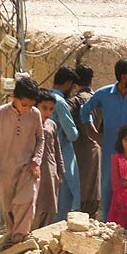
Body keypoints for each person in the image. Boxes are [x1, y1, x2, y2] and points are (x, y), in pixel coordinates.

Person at [80, 58, 127, 221]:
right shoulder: (103, 94)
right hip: (111, 150)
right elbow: (84, 112)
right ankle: (108, 223)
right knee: (109, 186)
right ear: (124, 77)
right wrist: (94, 134)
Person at [0, 75, 44, 249]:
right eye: (24, 104)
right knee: (8, 205)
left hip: (28, 166)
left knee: (25, 200)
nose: (27, 109)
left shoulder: (35, 114)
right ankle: (13, 236)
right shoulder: (0, 113)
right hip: (6, 168)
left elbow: (40, 139)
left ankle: (20, 236)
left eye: (31, 105)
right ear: (15, 99)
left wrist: (36, 160)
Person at [68, 65, 102, 219]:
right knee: (93, 187)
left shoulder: (75, 101)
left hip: (79, 148)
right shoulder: (99, 100)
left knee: (80, 186)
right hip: (95, 148)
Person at [50, 67, 80, 222]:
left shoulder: (43, 97)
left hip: (45, 154)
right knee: (65, 194)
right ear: (68, 83)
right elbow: (72, 134)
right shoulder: (60, 102)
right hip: (61, 153)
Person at [32, 88, 65, 229]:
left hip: (51, 172)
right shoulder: (31, 125)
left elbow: (57, 150)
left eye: (51, 109)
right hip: (35, 171)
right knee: (36, 205)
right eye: (44, 108)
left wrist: (61, 171)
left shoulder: (52, 125)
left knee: (50, 206)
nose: (47, 112)